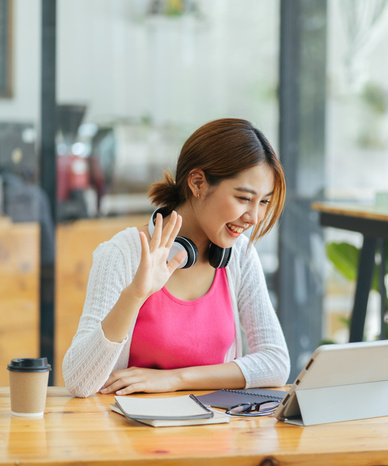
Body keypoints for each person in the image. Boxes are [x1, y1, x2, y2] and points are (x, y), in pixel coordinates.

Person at [63, 118, 290, 398]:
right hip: (133, 432)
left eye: (264, 202)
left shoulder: (239, 256)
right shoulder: (122, 254)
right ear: (198, 183)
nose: (254, 217)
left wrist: (175, 379)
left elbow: (276, 363)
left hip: (216, 432)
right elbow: (78, 382)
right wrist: (135, 295)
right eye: (243, 198)